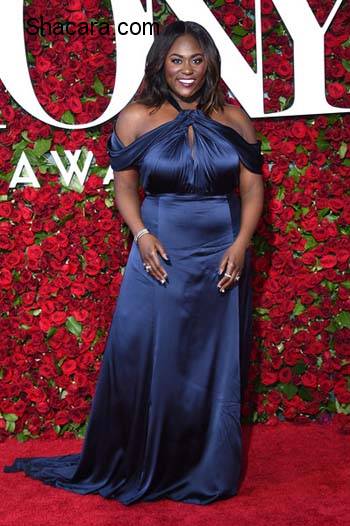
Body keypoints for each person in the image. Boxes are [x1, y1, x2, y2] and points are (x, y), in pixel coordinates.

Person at [4, 20, 264, 505]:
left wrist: (242, 244)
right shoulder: (136, 117)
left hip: (222, 253)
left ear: (209, 63)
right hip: (159, 251)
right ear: (161, 64)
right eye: (176, 60)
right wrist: (142, 235)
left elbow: (252, 188)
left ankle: (207, 467)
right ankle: (147, 460)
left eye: (196, 59)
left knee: (214, 364)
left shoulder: (234, 117)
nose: (187, 70)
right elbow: (125, 187)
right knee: (155, 360)